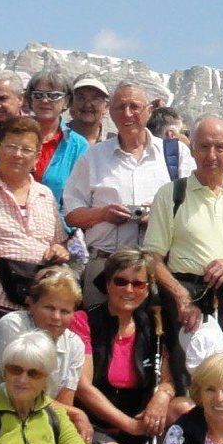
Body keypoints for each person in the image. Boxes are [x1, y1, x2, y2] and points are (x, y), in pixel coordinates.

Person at [145, 117, 223, 418]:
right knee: (194, 382)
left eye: (219, 147)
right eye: (204, 147)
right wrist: (180, 297)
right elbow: (153, 258)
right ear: (192, 149)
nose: (212, 155)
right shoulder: (171, 194)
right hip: (189, 297)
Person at [71, 248, 190, 444]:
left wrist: (162, 397)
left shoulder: (154, 325)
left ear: (147, 290)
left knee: (183, 409)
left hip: (141, 417)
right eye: (121, 282)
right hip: (97, 422)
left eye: (138, 284)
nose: (129, 290)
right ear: (107, 284)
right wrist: (129, 424)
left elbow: (167, 380)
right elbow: (83, 387)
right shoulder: (84, 321)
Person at [64, 81, 177, 295]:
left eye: (134, 107)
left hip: (158, 268)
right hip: (104, 266)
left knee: (156, 329)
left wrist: (158, 217)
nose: (127, 114)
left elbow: (190, 208)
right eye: (120, 108)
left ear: (149, 111)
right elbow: (71, 214)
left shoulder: (174, 155)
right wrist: (103, 214)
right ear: (110, 113)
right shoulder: (93, 157)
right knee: (100, 326)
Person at [0, 265, 88, 436]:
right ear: (31, 304)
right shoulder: (13, 324)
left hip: (33, 425)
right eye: (49, 308)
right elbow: (17, 390)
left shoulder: (75, 344)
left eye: (65, 311)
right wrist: (75, 413)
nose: (56, 317)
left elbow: (64, 402)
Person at [0, 117, 71, 345]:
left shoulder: (45, 195)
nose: (18, 154)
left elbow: (58, 242)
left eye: (26, 149)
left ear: (36, 157)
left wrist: (59, 249)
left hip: (38, 303)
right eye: (11, 147)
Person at [0, 68, 90, 214]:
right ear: (30, 100)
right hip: (3, 220)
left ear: (67, 101)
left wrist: (60, 228)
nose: (45, 100)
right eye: (38, 95)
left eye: (54, 96)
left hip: (54, 228)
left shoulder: (78, 146)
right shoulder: (11, 132)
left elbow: (79, 198)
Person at [147, 104, 196, 181]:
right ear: (171, 135)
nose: (188, 139)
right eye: (186, 133)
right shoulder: (183, 157)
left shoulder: (141, 159)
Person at [67, 74, 111, 146]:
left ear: (106, 106)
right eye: (81, 98)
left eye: (95, 99)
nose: (87, 104)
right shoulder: (54, 138)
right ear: (70, 102)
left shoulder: (115, 144)